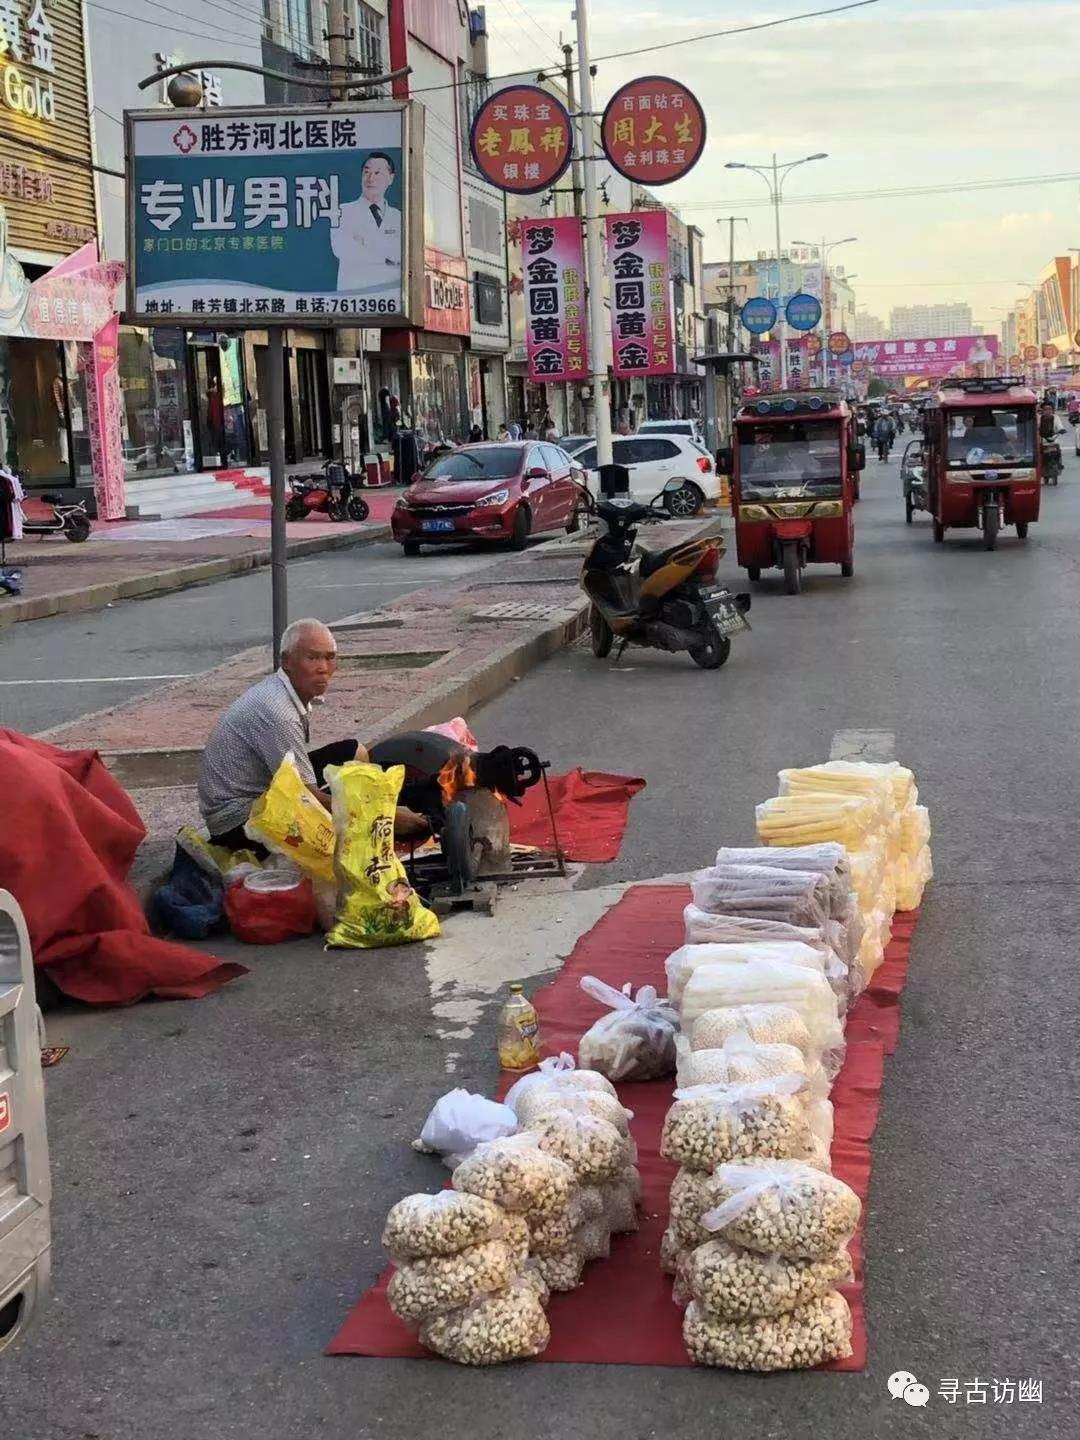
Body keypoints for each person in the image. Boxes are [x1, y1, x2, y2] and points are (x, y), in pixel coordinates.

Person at [197, 618, 428, 853]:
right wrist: (385, 817)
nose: (323, 668)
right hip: (237, 823)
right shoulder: (279, 713)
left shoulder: (282, 691)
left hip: (264, 792)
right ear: (287, 661)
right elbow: (305, 798)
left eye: (329, 658)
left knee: (353, 752)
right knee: (337, 820)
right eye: (313, 658)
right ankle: (372, 837)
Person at [330, 152, 403, 294]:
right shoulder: (342, 211)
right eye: (367, 172)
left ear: (390, 178)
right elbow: (343, 249)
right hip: (354, 299)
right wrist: (388, 258)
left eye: (377, 173)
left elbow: (401, 254)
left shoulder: (399, 217)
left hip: (389, 298)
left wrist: (365, 242)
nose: (370, 178)